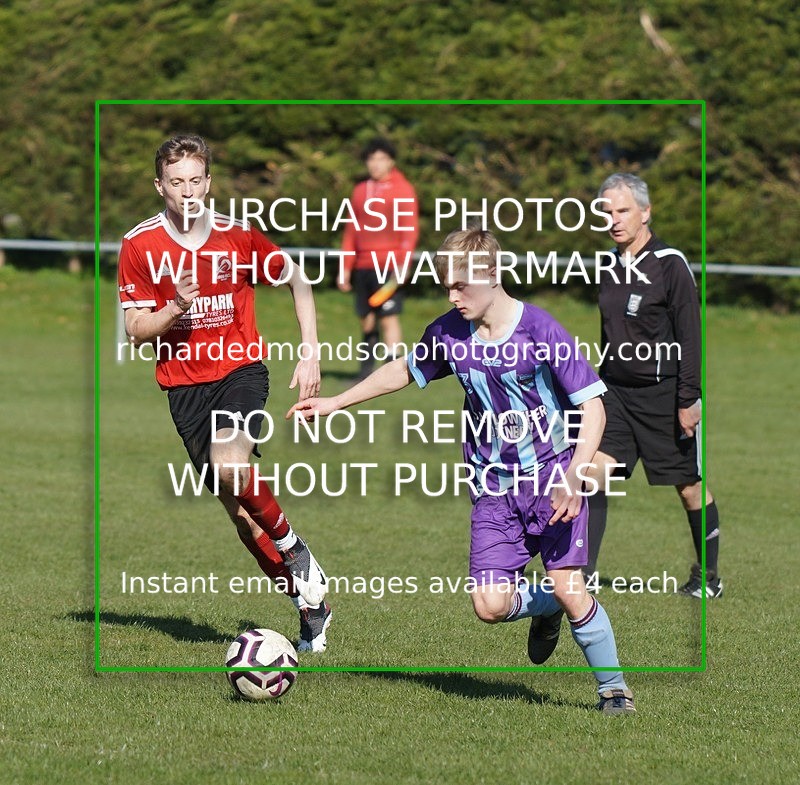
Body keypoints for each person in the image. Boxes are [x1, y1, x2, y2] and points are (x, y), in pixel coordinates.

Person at [290, 226, 636, 715]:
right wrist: (337, 403)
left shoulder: (540, 329)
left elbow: (594, 407)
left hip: (552, 479)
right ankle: (550, 605)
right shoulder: (450, 331)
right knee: (490, 606)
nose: (452, 296)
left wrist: (576, 476)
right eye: (446, 286)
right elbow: (403, 370)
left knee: (571, 586)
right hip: (493, 488)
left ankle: (614, 691)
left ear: (492, 275)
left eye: (460, 286)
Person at [117, 134, 332, 652]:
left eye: (195, 180)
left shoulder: (236, 237)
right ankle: (310, 604)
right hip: (183, 389)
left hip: (240, 370)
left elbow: (297, 280)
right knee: (239, 516)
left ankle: (293, 546)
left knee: (232, 461)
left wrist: (310, 351)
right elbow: (134, 330)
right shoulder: (140, 244)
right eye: (176, 182)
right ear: (159, 186)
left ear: (208, 184)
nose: (187, 192)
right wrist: (173, 307)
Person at [585, 172, 722, 599]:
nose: (615, 219)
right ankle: (582, 577)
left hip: (665, 397)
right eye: (607, 211)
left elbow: (691, 335)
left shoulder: (670, 264)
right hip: (616, 396)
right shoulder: (608, 264)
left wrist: (689, 398)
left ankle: (708, 580)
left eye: (623, 210)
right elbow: (609, 333)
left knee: (689, 487)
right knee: (590, 476)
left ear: (646, 212)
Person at [338, 138, 419, 379]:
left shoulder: (403, 189)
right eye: (371, 159)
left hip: (389, 265)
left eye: (381, 158)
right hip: (363, 266)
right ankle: (365, 373)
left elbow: (409, 229)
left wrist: (403, 264)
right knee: (367, 320)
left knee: (388, 318)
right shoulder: (360, 190)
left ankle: (395, 373)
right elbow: (351, 230)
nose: (375, 164)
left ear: (391, 161)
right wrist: (345, 268)